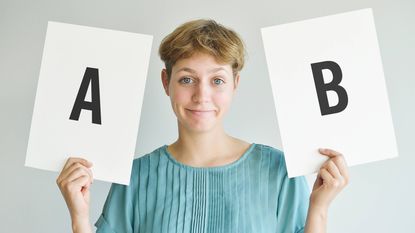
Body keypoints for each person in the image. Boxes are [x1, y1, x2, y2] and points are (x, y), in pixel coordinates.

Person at [57, 19, 349, 233]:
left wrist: (320, 209)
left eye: (217, 80)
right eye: (186, 79)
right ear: (165, 83)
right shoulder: (134, 177)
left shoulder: (279, 171)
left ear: (235, 84)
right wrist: (79, 220)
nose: (201, 95)